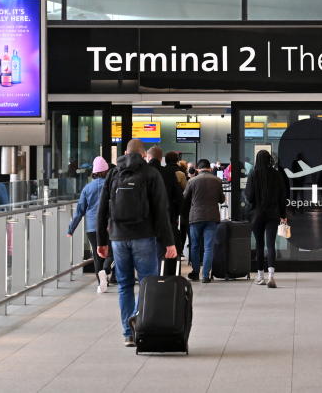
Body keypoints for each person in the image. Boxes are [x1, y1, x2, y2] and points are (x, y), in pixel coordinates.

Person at [96, 139, 177, 347]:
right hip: (144, 236)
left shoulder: (113, 174)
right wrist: (169, 242)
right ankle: (142, 325)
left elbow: (101, 209)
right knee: (147, 284)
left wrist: (101, 241)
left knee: (124, 285)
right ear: (144, 156)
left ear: (124, 153)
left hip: (118, 238)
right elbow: (161, 211)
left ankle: (127, 333)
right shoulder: (151, 174)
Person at [68, 156, 113, 294]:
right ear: (106, 171)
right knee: (112, 253)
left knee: (97, 254)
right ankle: (105, 271)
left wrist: (71, 229)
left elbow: (80, 210)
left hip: (92, 227)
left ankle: (101, 284)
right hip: (109, 226)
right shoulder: (111, 186)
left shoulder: (87, 188)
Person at [244, 150, 287, 288]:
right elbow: (282, 197)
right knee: (271, 244)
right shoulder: (277, 175)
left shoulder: (253, 175)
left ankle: (260, 276)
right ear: (269, 160)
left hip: (257, 214)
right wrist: (283, 215)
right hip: (273, 213)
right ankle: (271, 276)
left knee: (259, 244)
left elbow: (249, 197)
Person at [183, 159, 226, 283]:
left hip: (196, 217)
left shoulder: (192, 181)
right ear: (209, 167)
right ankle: (206, 275)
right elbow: (221, 200)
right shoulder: (217, 181)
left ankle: (195, 272)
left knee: (195, 245)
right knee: (208, 247)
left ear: (198, 168)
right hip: (212, 217)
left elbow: (185, 198)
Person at [147, 146, 184, 276]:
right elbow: (180, 198)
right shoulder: (168, 174)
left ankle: (149, 281)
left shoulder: (142, 172)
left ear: (148, 157)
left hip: (145, 222)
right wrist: (175, 215)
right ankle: (167, 278)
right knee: (167, 251)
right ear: (161, 159)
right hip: (167, 219)